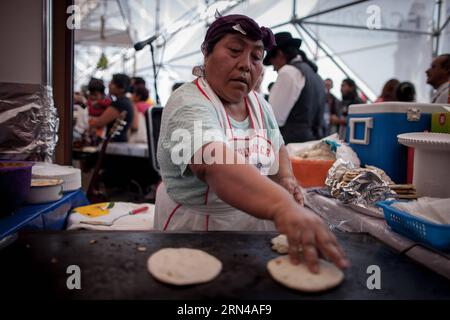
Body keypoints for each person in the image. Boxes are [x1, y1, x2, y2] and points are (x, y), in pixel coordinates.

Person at [155, 14, 348, 273]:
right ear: (206, 53)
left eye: (256, 57)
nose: (246, 65)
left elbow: (277, 145)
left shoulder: (259, 104)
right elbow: (215, 165)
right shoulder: (188, 103)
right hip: (196, 227)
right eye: (234, 50)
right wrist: (281, 205)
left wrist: (285, 178)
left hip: (251, 224)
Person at [264, 32, 326, 143]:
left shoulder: (288, 72)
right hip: (313, 142)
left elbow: (273, 119)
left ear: (279, 54)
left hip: (292, 145)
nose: (274, 69)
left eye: (273, 63)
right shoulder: (316, 76)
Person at [89, 73, 134, 142]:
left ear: (121, 88)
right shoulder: (126, 102)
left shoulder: (120, 103)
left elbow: (100, 122)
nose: (109, 85)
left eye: (112, 83)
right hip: (121, 142)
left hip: (115, 143)